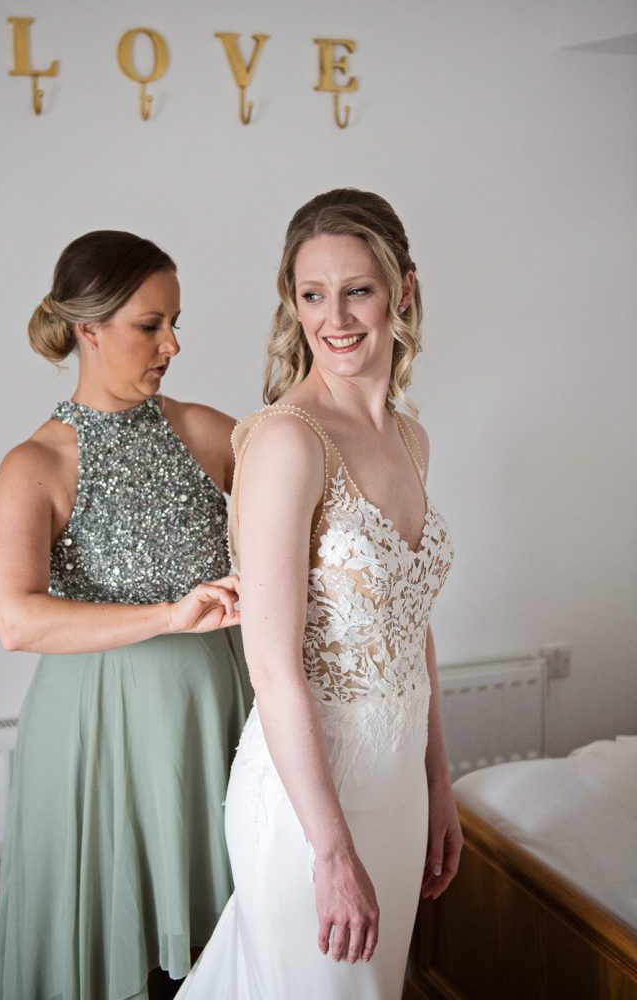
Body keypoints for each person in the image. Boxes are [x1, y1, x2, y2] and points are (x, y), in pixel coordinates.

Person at [178, 188, 462, 1000]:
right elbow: (271, 667)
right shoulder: (284, 442)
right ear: (292, 303)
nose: (334, 317)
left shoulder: (410, 437)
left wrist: (439, 782)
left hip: (398, 789)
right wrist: (331, 851)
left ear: (402, 290)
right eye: (311, 295)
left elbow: (412, 628)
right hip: (308, 803)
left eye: (357, 290)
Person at [0, 230, 253, 1000]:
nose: (172, 343)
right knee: (114, 954)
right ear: (88, 327)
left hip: (218, 713)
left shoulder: (203, 429)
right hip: (97, 732)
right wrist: (169, 615)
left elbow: (303, 495)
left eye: (176, 322)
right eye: (150, 325)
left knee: (228, 947)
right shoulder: (36, 464)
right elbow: (17, 620)